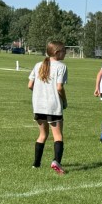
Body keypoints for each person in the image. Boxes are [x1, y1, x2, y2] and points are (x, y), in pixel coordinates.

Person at [28, 41, 69, 174]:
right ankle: (56, 162)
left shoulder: (38, 65)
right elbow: (59, 87)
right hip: (53, 106)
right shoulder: (61, 67)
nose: (65, 53)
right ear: (57, 53)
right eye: (64, 51)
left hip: (38, 105)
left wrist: (40, 94)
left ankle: (36, 164)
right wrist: (64, 101)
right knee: (58, 136)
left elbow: (30, 85)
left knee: (42, 135)